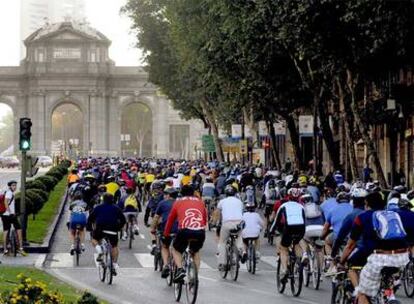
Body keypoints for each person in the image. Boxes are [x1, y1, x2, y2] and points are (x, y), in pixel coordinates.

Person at [340, 192, 411, 304]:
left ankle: (361, 294)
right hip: (402, 257)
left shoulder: (362, 217)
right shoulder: (393, 214)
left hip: (379, 257)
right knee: (386, 281)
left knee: (362, 291)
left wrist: (341, 262)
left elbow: (350, 246)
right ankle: (389, 294)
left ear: (366, 204)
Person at [164, 185, 207, 282]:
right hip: (200, 231)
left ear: (181, 193)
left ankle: (180, 270)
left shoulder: (178, 202)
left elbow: (170, 220)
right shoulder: (200, 202)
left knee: (176, 249)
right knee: (195, 251)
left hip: (184, 230)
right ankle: (194, 277)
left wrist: (166, 233)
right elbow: (204, 219)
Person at [87, 193, 126, 276]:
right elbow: (123, 220)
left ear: (103, 199)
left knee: (94, 239)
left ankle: (99, 249)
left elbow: (90, 218)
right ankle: (114, 264)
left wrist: (89, 228)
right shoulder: (116, 208)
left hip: (100, 228)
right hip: (113, 230)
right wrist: (118, 227)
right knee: (114, 246)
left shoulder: (98, 207)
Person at [271, 188, 306, 281]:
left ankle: (285, 270)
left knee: (283, 248)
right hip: (301, 228)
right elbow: (304, 219)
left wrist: (271, 231)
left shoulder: (284, 205)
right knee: (297, 242)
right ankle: (301, 258)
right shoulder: (301, 206)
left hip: (289, 228)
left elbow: (276, 221)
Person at [151, 187, 179, 278]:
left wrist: (152, 228)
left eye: (165, 194)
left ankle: (166, 265)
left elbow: (156, 217)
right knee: (178, 249)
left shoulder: (162, 203)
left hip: (166, 229)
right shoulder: (180, 203)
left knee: (165, 246)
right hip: (179, 230)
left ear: (168, 195)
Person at [216, 185, 244, 270]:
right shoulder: (239, 201)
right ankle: (241, 250)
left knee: (222, 242)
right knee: (239, 236)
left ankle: (222, 262)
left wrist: (217, 223)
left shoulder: (222, 201)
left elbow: (219, 213)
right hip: (239, 222)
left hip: (227, 223)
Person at [1, 180, 27, 256]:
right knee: (19, 229)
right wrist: (10, 212)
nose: (15, 187)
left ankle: (5, 249)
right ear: (9, 186)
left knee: (5, 231)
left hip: (4, 215)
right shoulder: (9, 193)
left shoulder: (7, 192)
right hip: (10, 215)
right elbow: (6, 202)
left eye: (15, 185)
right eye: (13, 185)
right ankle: (21, 248)